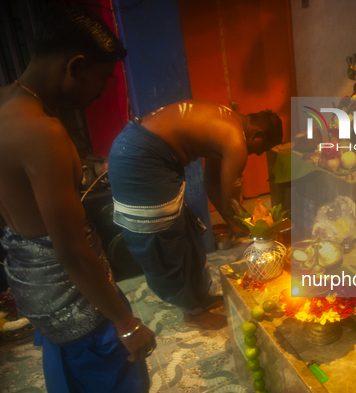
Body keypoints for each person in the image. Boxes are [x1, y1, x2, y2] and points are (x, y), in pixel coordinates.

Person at [0, 3, 155, 392]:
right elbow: (70, 251)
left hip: (32, 287)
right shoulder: (43, 133)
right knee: (115, 378)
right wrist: (128, 324)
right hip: (76, 301)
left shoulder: (5, 105)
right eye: (103, 78)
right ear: (76, 67)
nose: (103, 90)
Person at [108, 100, 283, 328]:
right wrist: (250, 227)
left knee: (185, 228)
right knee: (166, 238)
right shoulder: (236, 141)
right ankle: (192, 314)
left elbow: (211, 183)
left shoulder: (228, 122)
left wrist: (234, 223)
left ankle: (198, 300)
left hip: (139, 148)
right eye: (261, 149)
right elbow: (231, 198)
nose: (257, 155)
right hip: (140, 157)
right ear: (257, 134)